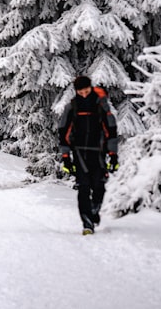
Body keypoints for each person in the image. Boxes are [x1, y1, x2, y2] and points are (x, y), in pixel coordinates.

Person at [57, 75, 119, 235]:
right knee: (83, 188)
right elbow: (63, 131)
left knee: (99, 186)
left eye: (86, 91)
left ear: (90, 88)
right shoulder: (72, 107)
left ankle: (94, 209)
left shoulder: (101, 105)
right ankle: (87, 223)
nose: (84, 94)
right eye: (80, 92)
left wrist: (113, 154)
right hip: (79, 152)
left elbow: (111, 130)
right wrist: (66, 157)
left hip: (98, 152)